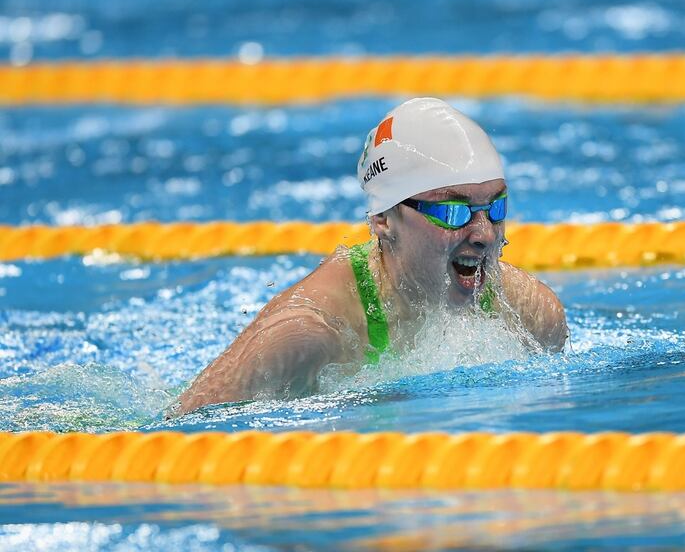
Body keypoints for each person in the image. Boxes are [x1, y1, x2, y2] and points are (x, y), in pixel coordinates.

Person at [172, 97, 568, 415]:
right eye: (453, 211)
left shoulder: (532, 316)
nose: (484, 235)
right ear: (383, 218)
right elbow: (178, 438)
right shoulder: (308, 335)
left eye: (495, 207)